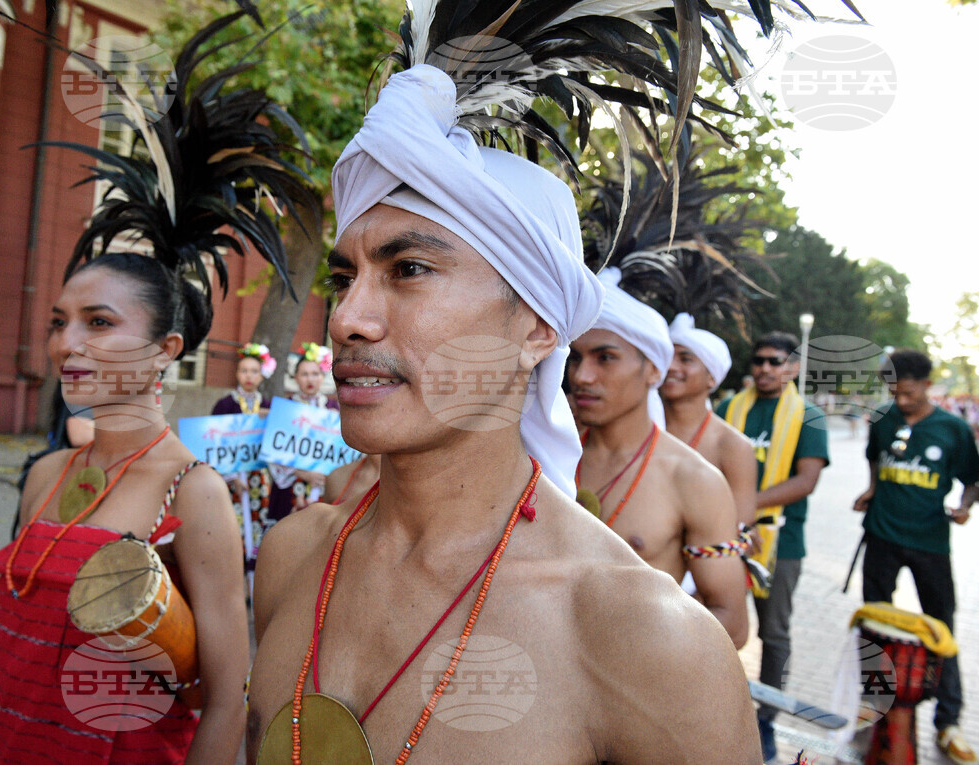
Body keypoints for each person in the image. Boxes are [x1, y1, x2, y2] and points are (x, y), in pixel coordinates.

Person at [246, 2, 766, 758]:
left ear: (537, 329)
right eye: (344, 274)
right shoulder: (294, 556)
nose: (348, 317)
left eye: (409, 269)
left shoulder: (643, 635)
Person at [0, 15, 310, 761]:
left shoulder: (193, 493)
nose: (67, 343)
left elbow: (228, 700)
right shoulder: (42, 476)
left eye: (99, 321)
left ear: (167, 350)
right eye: (61, 321)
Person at [569, 273, 749, 649]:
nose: (582, 376)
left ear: (654, 369)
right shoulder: (547, 457)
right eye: (575, 358)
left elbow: (731, 623)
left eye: (605, 358)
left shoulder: (694, 479)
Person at [853, 349, 979, 764]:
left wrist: (965, 506)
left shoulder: (953, 429)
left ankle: (949, 723)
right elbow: (875, 458)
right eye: (893, 392)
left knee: (941, 628)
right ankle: (874, 704)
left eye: (907, 392)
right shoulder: (883, 419)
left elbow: (972, 480)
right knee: (873, 622)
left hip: (930, 543)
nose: (900, 400)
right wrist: (872, 489)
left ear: (927, 385)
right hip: (882, 537)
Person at [716, 330, 830, 762]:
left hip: (782, 542)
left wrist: (745, 504)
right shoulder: (729, 409)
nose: (764, 368)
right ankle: (718, 706)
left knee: (774, 633)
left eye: (775, 361)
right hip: (725, 535)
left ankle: (766, 718)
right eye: (758, 361)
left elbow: (806, 480)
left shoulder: (809, 416)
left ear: (793, 367)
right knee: (719, 624)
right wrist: (733, 513)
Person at [662, 313, 758, 531]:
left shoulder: (732, 446)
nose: (671, 367)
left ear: (712, 377)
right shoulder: (638, 428)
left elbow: (740, 533)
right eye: (667, 357)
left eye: (685, 359)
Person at [212, 343, 275, 583]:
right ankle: (231, 583)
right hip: (231, 477)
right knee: (231, 528)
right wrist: (231, 477)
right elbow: (215, 446)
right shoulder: (224, 405)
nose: (249, 376)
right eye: (244, 371)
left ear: (261, 375)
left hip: (259, 477)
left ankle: (254, 584)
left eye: (254, 371)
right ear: (237, 374)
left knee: (259, 528)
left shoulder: (268, 406)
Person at [267, 342, 339, 518]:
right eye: (304, 374)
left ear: (322, 377)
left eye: (315, 374)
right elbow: (273, 450)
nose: (310, 379)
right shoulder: (285, 408)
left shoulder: (333, 409)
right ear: (296, 378)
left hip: (324, 484)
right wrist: (301, 473)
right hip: (290, 486)